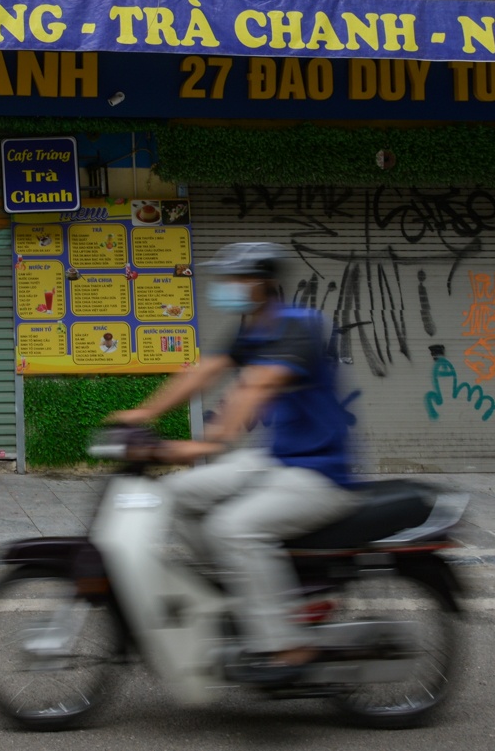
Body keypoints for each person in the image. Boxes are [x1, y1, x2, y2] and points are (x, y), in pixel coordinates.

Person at [106, 241, 355, 682]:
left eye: (236, 278)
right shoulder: (252, 327)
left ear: (263, 283)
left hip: (318, 473)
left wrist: (205, 445)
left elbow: (255, 386)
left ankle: (287, 648)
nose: (226, 287)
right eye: (225, 278)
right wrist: (145, 413)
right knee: (173, 494)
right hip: (275, 461)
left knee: (233, 527)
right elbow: (205, 370)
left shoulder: (298, 327)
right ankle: (241, 594)